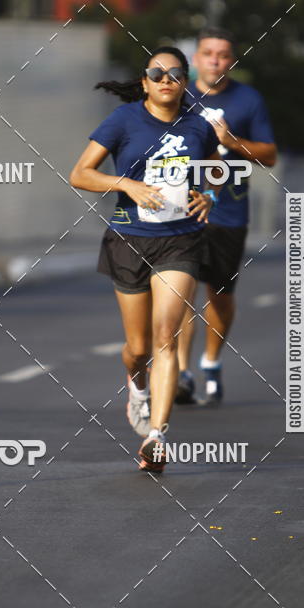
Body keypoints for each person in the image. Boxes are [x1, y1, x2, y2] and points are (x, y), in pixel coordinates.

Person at [69, 47, 219, 472]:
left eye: (174, 73)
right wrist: (127, 186)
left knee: (165, 337)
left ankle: (156, 436)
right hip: (129, 239)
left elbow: (214, 172)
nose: (165, 79)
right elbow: (80, 174)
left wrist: (208, 196)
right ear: (145, 81)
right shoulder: (123, 121)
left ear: (185, 81)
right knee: (138, 349)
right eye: (157, 73)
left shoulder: (198, 126)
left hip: (181, 241)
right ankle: (137, 384)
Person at [175, 28, 277, 406]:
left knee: (219, 294)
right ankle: (181, 372)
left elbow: (269, 156)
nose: (215, 60)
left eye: (222, 54)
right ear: (196, 59)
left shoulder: (248, 100)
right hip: (182, 209)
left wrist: (234, 144)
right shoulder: (179, 95)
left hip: (229, 211)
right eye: (208, 53)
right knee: (180, 290)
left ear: (231, 61)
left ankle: (211, 360)